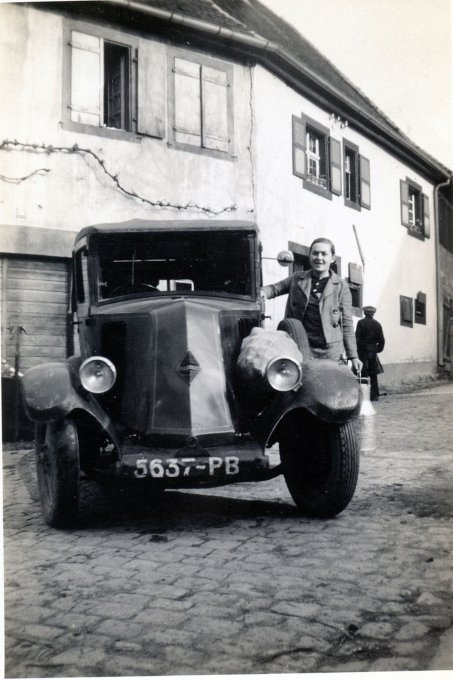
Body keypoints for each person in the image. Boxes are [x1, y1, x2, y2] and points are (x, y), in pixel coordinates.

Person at [262, 237, 362, 374]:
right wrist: (261, 293)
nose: (319, 258)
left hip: (330, 349)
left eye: (324, 254)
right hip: (300, 344)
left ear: (332, 258)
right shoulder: (298, 278)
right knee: (300, 383)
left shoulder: (340, 285)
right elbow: (275, 288)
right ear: (310, 256)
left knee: (329, 385)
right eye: (315, 253)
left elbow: (347, 323)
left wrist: (353, 356)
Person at [355, 306, 385, 401]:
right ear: (373, 314)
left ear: (364, 313)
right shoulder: (377, 324)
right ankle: (375, 395)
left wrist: (357, 349)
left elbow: (357, 338)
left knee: (363, 372)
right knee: (373, 373)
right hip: (373, 350)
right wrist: (378, 349)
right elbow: (382, 340)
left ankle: (363, 396)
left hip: (363, 350)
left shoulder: (360, 323)